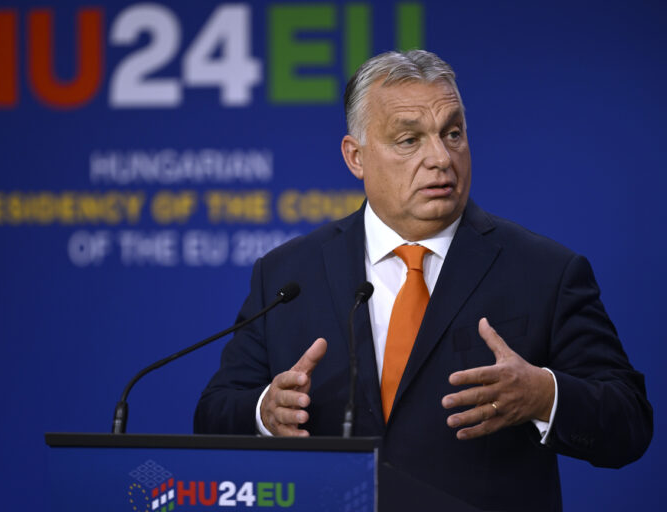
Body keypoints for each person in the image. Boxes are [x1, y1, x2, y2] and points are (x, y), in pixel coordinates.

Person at [193, 50, 652, 511]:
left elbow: (629, 422)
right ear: (356, 157)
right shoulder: (288, 274)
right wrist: (265, 413)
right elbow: (215, 412)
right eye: (409, 139)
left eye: (453, 133)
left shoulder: (545, 270)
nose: (441, 158)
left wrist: (542, 396)